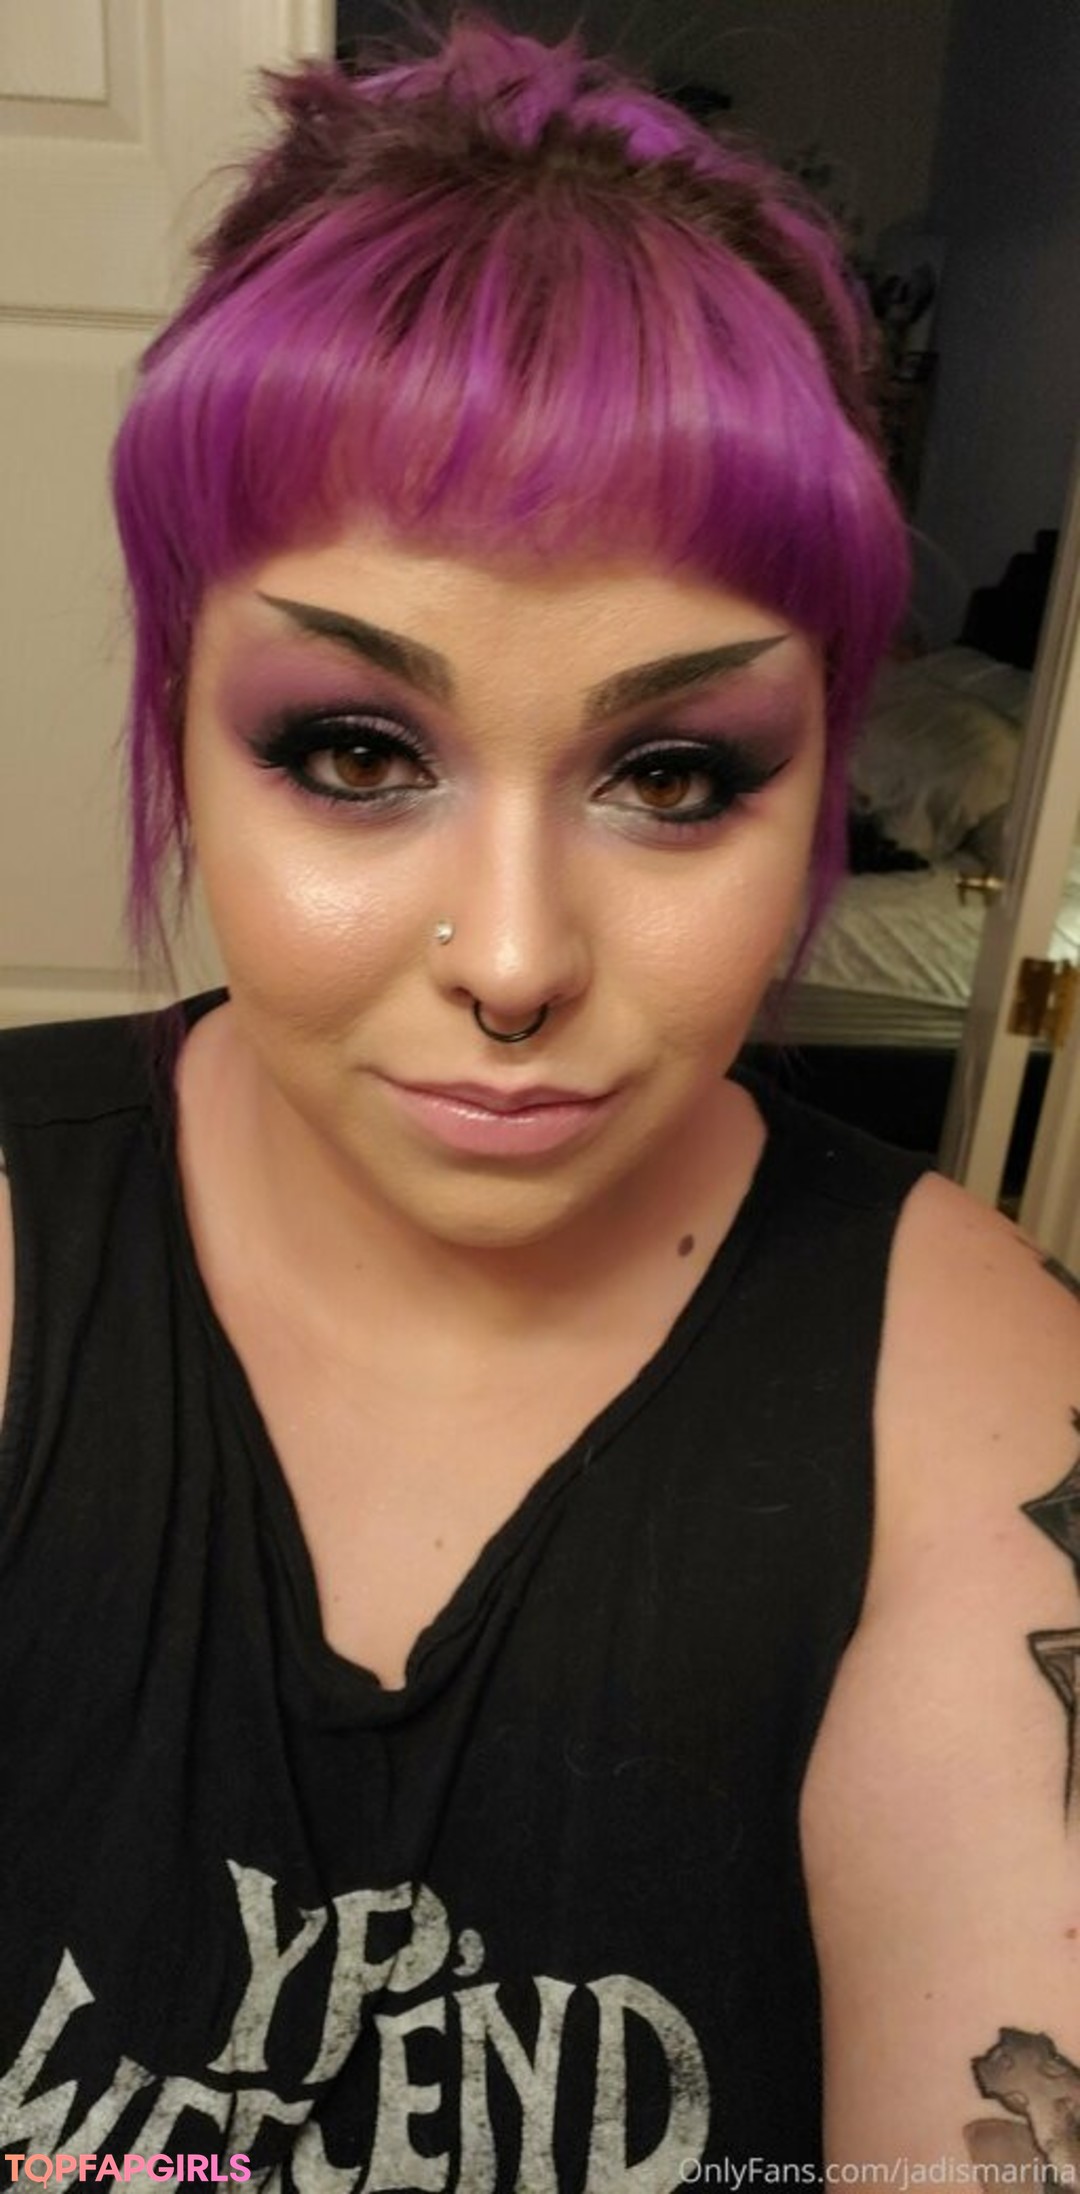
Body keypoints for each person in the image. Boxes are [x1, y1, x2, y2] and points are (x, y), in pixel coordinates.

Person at [0, 12, 1077, 2185]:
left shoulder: (980, 1401)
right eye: (354, 751)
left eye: (671, 774)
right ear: (181, 725)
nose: (511, 960)